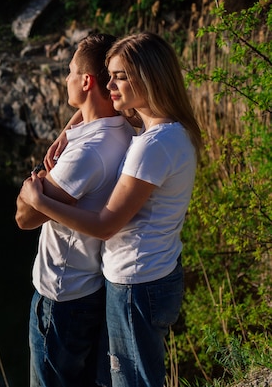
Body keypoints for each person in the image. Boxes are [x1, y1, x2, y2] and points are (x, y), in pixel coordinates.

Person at [19, 31, 203, 387]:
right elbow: (99, 110)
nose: (111, 85)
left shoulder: (151, 146)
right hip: (150, 275)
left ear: (147, 78)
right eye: (109, 76)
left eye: (120, 77)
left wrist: (40, 200)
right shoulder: (165, 130)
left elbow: (105, 225)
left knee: (133, 381)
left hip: (137, 282)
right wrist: (69, 129)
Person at [15, 33, 135, 387]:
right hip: (90, 289)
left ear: (85, 81)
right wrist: (68, 130)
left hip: (61, 299)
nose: (64, 78)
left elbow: (24, 218)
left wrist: (34, 181)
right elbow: (91, 121)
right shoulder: (123, 131)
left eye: (70, 71)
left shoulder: (85, 153)